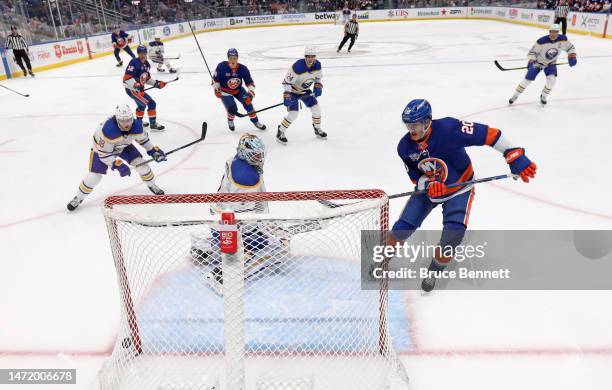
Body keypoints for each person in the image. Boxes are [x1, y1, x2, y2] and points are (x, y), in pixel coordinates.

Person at [389, 99, 537, 292]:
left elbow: (490, 135)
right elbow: (415, 177)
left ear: (427, 122)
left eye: (415, 125)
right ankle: (382, 259)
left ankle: (434, 272)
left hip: (460, 189)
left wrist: (512, 153)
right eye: (408, 125)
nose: (411, 130)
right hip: (429, 192)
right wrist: (428, 184)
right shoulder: (404, 148)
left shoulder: (450, 129)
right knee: (401, 229)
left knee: (453, 236)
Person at [189, 134, 289, 292]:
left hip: (219, 218)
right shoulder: (246, 177)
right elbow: (246, 218)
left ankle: (204, 246)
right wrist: (270, 230)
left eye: (261, 154)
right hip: (230, 224)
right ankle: (224, 276)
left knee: (259, 237)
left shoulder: (236, 161)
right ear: (246, 153)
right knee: (275, 247)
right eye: (256, 154)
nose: (259, 158)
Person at [67, 104, 166, 211]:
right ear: (117, 119)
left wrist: (153, 151)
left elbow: (143, 140)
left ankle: (152, 185)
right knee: (94, 176)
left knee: (142, 165)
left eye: (128, 119)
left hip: (124, 146)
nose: (127, 123)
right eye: (123, 121)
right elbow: (104, 155)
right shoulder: (106, 131)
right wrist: (117, 165)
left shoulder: (136, 125)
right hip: (102, 151)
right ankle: (78, 197)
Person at [508, 24, 577, 106]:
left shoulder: (563, 39)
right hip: (538, 63)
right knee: (527, 80)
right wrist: (531, 61)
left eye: (555, 32)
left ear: (558, 32)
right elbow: (531, 52)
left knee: (552, 80)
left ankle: (544, 95)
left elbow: (570, 48)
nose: (553, 34)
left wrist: (572, 56)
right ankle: (515, 95)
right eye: (551, 32)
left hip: (551, 63)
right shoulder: (541, 41)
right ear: (549, 32)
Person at [277, 46, 327, 144]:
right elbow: (287, 83)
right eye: (308, 56)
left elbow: (317, 78)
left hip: (305, 91)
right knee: (294, 114)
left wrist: (317, 85)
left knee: (316, 108)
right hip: (293, 92)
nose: (310, 59)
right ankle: (280, 131)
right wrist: (287, 95)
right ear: (305, 56)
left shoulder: (317, 65)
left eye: (312, 56)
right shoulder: (297, 67)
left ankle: (317, 128)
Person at [213, 48, 266, 132]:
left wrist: (250, 94)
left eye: (234, 58)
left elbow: (250, 83)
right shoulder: (221, 67)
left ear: (237, 58)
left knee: (248, 103)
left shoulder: (243, 69)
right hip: (225, 91)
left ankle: (256, 122)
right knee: (232, 109)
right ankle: (230, 120)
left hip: (238, 90)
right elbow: (215, 80)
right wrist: (217, 90)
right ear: (228, 58)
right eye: (230, 58)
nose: (232, 60)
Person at [123, 45, 167, 131]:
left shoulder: (146, 64)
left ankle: (138, 123)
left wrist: (156, 83)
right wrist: (136, 85)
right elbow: (126, 78)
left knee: (141, 106)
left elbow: (146, 79)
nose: (143, 55)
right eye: (141, 53)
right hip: (132, 89)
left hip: (139, 90)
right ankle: (153, 124)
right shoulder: (134, 62)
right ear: (138, 54)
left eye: (144, 53)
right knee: (151, 103)